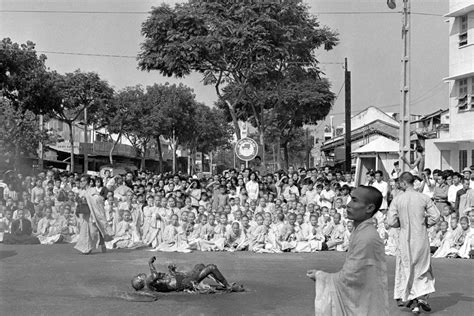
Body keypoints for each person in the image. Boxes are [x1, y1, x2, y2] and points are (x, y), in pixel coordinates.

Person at [307, 186, 389, 316]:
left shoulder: (366, 237)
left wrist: (321, 276)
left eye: (355, 200)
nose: (348, 205)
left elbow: (351, 278)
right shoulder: (361, 231)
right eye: (350, 199)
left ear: (369, 208)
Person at [387, 172, 440, 314]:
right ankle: (421, 297)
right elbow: (436, 216)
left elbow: (390, 221)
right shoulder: (424, 198)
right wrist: (424, 223)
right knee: (423, 268)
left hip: (405, 238)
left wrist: (401, 223)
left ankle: (414, 301)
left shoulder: (397, 200)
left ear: (404, 183)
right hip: (421, 237)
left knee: (407, 268)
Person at [131, 256, 244, 293]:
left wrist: (172, 271)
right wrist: (150, 264)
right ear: (140, 280)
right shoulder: (149, 283)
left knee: (200, 265)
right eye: (138, 276)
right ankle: (228, 286)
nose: (139, 274)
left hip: (183, 278)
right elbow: (154, 276)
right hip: (186, 282)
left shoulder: (151, 283)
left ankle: (220, 282)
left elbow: (161, 278)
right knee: (211, 267)